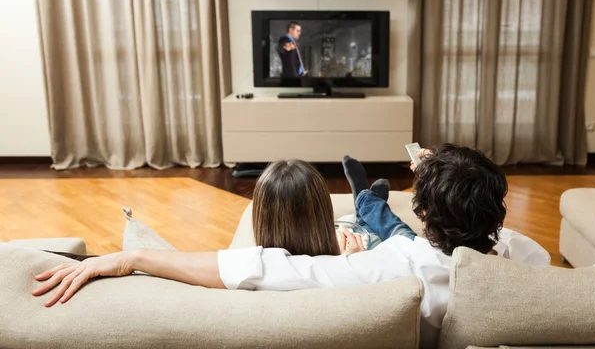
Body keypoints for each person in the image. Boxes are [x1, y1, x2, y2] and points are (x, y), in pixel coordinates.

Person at [32, 144, 549, 347]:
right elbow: (480, 224)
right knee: (376, 219)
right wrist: (442, 175)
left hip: (398, 243)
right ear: (495, 213)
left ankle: (366, 195)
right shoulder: (527, 257)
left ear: (427, 214)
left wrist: (133, 255)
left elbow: (264, 266)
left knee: (372, 218)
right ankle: (370, 197)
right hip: (452, 228)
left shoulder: (386, 270)